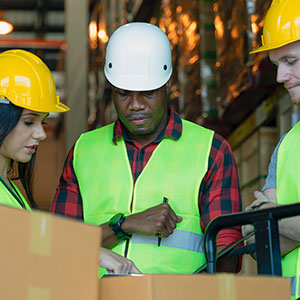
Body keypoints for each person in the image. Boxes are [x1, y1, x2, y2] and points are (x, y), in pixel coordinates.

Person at [52, 22, 243, 275]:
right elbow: (58, 248)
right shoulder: (84, 152)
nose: (135, 105)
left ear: (167, 86)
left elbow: (228, 255)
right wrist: (125, 225)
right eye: (123, 93)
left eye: (147, 93)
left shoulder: (211, 151)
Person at [0, 49, 139, 275]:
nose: (41, 134)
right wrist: (90, 251)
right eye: (28, 122)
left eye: (42, 123)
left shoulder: (11, 189)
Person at [242, 0, 300, 298]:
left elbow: (265, 222)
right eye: (277, 65)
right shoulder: (289, 144)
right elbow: (254, 237)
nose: (279, 77)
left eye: (290, 61)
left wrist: (271, 214)